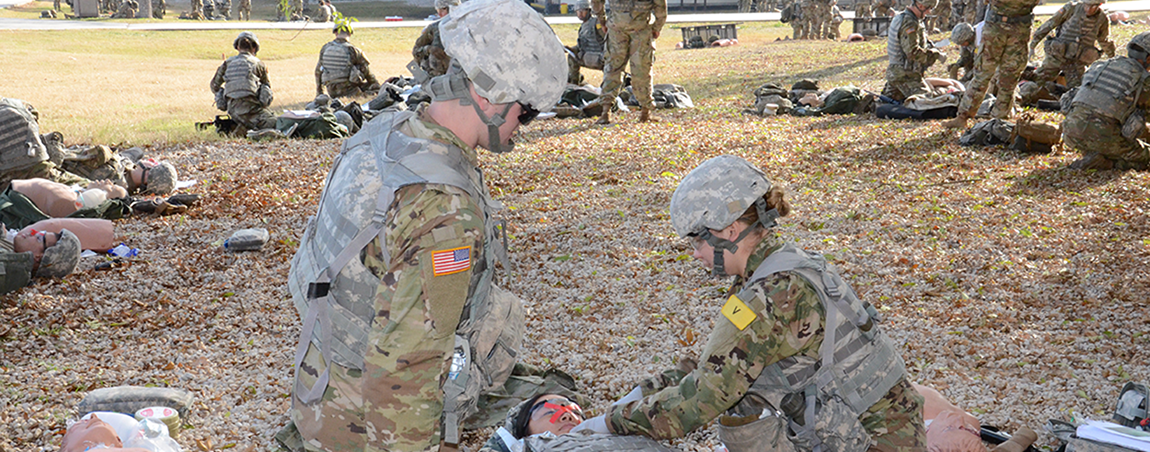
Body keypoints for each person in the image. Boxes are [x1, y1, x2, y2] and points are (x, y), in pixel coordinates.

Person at [282, 0, 565, 450]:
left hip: (322, 384)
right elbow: (404, 372)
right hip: (366, 423)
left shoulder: (391, 131)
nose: (523, 127)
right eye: (524, 112)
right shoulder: (442, 209)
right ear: (487, 96)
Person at [573, 155, 925, 452]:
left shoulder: (767, 296)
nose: (695, 253)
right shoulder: (782, 264)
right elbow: (721, 362)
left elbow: (703, 398)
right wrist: (643, 392)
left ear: (729, 230)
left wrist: (608, 423)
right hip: (885, 426)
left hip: (874, 441)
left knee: (741, 417)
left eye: (698, 240)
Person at [942, 0, 1040, 128]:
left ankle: (999, 118)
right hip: (1003, 27)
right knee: (986, 74)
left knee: (1007, 76)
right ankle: (964, 117)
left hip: (1012, 28)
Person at [1060, 32, 1150, 170]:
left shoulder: (1102, 65)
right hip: (1102, 135)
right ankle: (1105, 163)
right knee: (1145, 157)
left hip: (1070, 134)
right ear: (1148, 59)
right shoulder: (1143, 80)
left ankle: (1096, 153)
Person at [1022, 0, 1115, 105]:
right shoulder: (1071, 8)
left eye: (1094, 6)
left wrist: (1113, 57)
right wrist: (1033, 44)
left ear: (1100, 5)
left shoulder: (1102, 19)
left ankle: (1056, 93)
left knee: (1078, 92)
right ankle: (1025, 98)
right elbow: (1050, 24)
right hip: (1057, 57)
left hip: (1076, 63)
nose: (1089, 9)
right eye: (1087, 5)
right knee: (1037, 81)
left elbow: (1104, 40)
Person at [592, 0, 668, 124]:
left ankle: (605, 111)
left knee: (613, 68)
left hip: (617, 27)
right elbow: (660, 6)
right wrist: (657, 27)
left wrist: (602, 20)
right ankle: (645, 111)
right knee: (641, 69)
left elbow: (596, 2)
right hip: (641, 29)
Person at [0, 98, 90, 190]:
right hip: (40, 168)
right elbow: (33, 115)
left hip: (6, 181)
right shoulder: (15, 104)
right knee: (91, 190)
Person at [210, 31, 276, 134]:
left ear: (237, 47)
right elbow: (266, 89)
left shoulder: (227, 63)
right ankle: (251, 131)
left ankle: (239, 127)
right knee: (275, 123)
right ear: (254, 48)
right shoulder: (258, 64)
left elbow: (214, 86)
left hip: (232, 109)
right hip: (252, 109)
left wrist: (222, 99)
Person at [882, 0, 946, 102]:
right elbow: (912, 52)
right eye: (928, 8)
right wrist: (934, 55)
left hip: (898, 74)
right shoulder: (909, 22)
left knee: (886, 102)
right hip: (905, 75)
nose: (929, 12)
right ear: (920, 6)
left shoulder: (905, 18)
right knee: (931, 101)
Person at [60, 145, 179, 196]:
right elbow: (133, 153)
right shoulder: (127, 179)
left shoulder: (111, 171)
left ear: (148, 174)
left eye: (154, 164)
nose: (151, 160)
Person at [1, 223, 82, 295]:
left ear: (39, 257)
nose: (32, 232)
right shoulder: (14, 256)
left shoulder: (7, 270)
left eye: (38, 237)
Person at [315, 21, 381, 98]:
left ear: (336, 33)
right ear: (350, 33)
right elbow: (367, 72)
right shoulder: (353, 50)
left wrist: (320, 92)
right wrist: (377, 86)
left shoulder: (325, 48)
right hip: (349, 90)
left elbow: (318, 71)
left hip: (331, 90)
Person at [410, 0, 459, 84]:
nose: (440, 14)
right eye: (438, 11)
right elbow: (416, 50)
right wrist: (428, 50)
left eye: (443, 9)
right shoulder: (434, 29)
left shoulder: (466, 26)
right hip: (436, 78)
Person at [566, 0, 607, 85]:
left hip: (599, 58)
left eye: (583, 11)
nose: (580, 13)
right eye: (578, 11)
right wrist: (571, 49)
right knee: (571, 57)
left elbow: (607, 39)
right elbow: (582, 45)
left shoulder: (597, 23)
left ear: (589, 11)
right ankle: (574, 83)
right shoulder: (583, 26)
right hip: (587, 56)